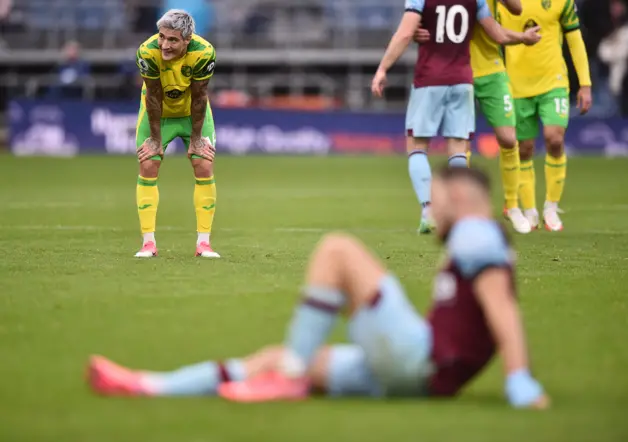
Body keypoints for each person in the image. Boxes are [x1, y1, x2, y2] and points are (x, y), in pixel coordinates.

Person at [87, 167, 549, 409]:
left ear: (461, 198)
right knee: (273, 359)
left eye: (439, 200)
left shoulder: (475, 232)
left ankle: (289, 375)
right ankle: (148, 385)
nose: (435, 210)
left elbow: (503, 309)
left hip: (422, 360)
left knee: (338, 251)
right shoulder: (479, 238)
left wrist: (519, 379)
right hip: (424, 379)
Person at [371, 0, 540, 234]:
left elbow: (405, 33)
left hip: (430, 78)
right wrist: (523, 37)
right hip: (462, 79)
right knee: (459, 149)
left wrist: (382, 69)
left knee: (417, 146)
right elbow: (497, 34)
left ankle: (429, 210)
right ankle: (461, 212)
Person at [414, 0, 532, 234]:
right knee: (461, 143)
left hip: (492, 71)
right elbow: (423, 25)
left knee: (509, 139)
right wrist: (419, 31)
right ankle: (461, 208)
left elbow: (517, 9)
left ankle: (512, 205)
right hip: (458, 70)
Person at [499, 0, 593, 231]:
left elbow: (574, 39)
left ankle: (551, 207)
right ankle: (530, 210)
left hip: (554, 82)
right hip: (517, 85)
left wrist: (585, 83)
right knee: (524, 148)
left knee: (554, 137)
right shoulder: (500, 3)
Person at [134, 9, 219, 258]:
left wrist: (195, 140)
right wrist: (156, 139)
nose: (165, 45)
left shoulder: (204, 53)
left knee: (203, 164)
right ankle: (148, 243)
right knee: (148, 164)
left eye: (173, 40)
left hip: (193, 113)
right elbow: (152, 95)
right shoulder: (147, 51)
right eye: (162, 37)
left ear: (187, 39)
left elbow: (200, 96)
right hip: (158, 112)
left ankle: (204, 244)